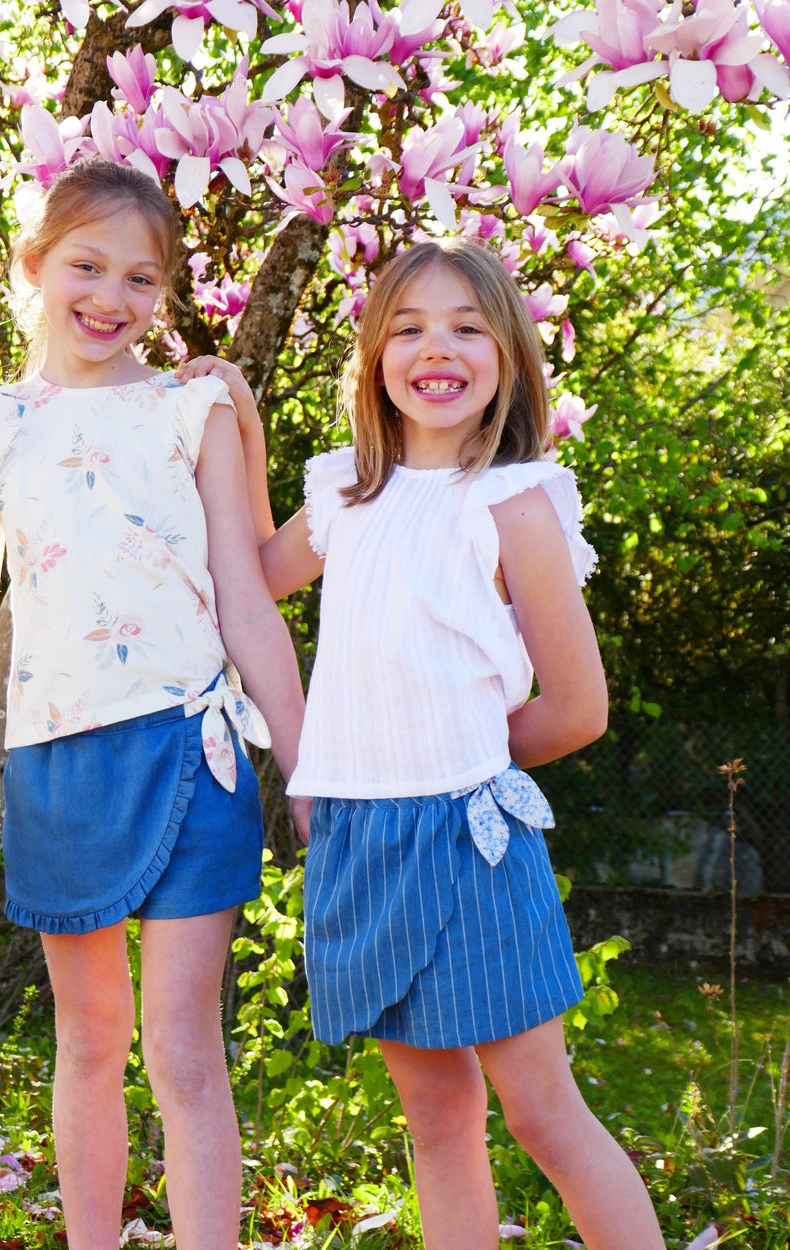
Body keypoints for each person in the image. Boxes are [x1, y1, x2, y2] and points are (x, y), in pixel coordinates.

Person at [0, 156, 307, 1250]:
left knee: (185, 1049)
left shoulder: (194, 405)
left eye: (142, 279)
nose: (111, 297)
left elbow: (246, 599)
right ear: (35, 264)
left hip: (195, 751)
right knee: (91, 1041)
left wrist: (310, 765)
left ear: (168, 293)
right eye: (87, 266)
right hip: (58, 768)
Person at [258, 240, 666, 1250]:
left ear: (508, 356)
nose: (435, 347)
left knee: (541, 1111)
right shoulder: (342, 494)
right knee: (436, 1118)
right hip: (358, 839)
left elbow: (575, 705)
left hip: (473, 835)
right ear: (374, 357)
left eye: (465, 326)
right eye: (408, 327)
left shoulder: (517, 503)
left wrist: (457, 756)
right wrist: (221, 418)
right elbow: (251, 577)